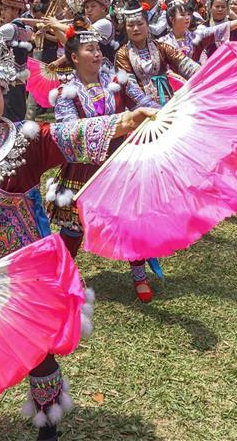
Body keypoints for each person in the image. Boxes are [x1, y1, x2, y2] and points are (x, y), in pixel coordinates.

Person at [0, 6, 156, 441]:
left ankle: (47, 418)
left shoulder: (23, 141)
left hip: (24, 266)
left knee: (35, 347)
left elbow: (67, 136)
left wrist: (124, 121)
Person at [47, 21, 159, 302]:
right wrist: (112, 126)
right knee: (73, 226)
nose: (97, 54)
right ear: (75, 57)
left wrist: (164, 114)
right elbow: (68, 132)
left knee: (130, 218)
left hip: (119, 161)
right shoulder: (66, 93)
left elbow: (144, 102)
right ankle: (62, 274)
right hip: (83, 165)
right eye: (89, 50)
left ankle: (139, 275)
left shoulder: (117, 81)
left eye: (98, 48)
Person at [115, 0, 200, 104]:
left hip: (168, 101)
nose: (136, 29)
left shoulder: (160, 47)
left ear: (147, 25)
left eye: (140, 24)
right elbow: (129, 86)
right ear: (125, 28)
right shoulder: (122, 54)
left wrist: (205, 73)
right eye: (130, 25)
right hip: (140, 107)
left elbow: (185, 64)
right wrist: (150, 106)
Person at [0, 0, 33, 121]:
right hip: (18, 83)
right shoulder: (26, 28)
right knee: (16, 118)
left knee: (8, 121)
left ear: (15, 10)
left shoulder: (9, 28)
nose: (2, 13)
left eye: (5, 9)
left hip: (9, 83)